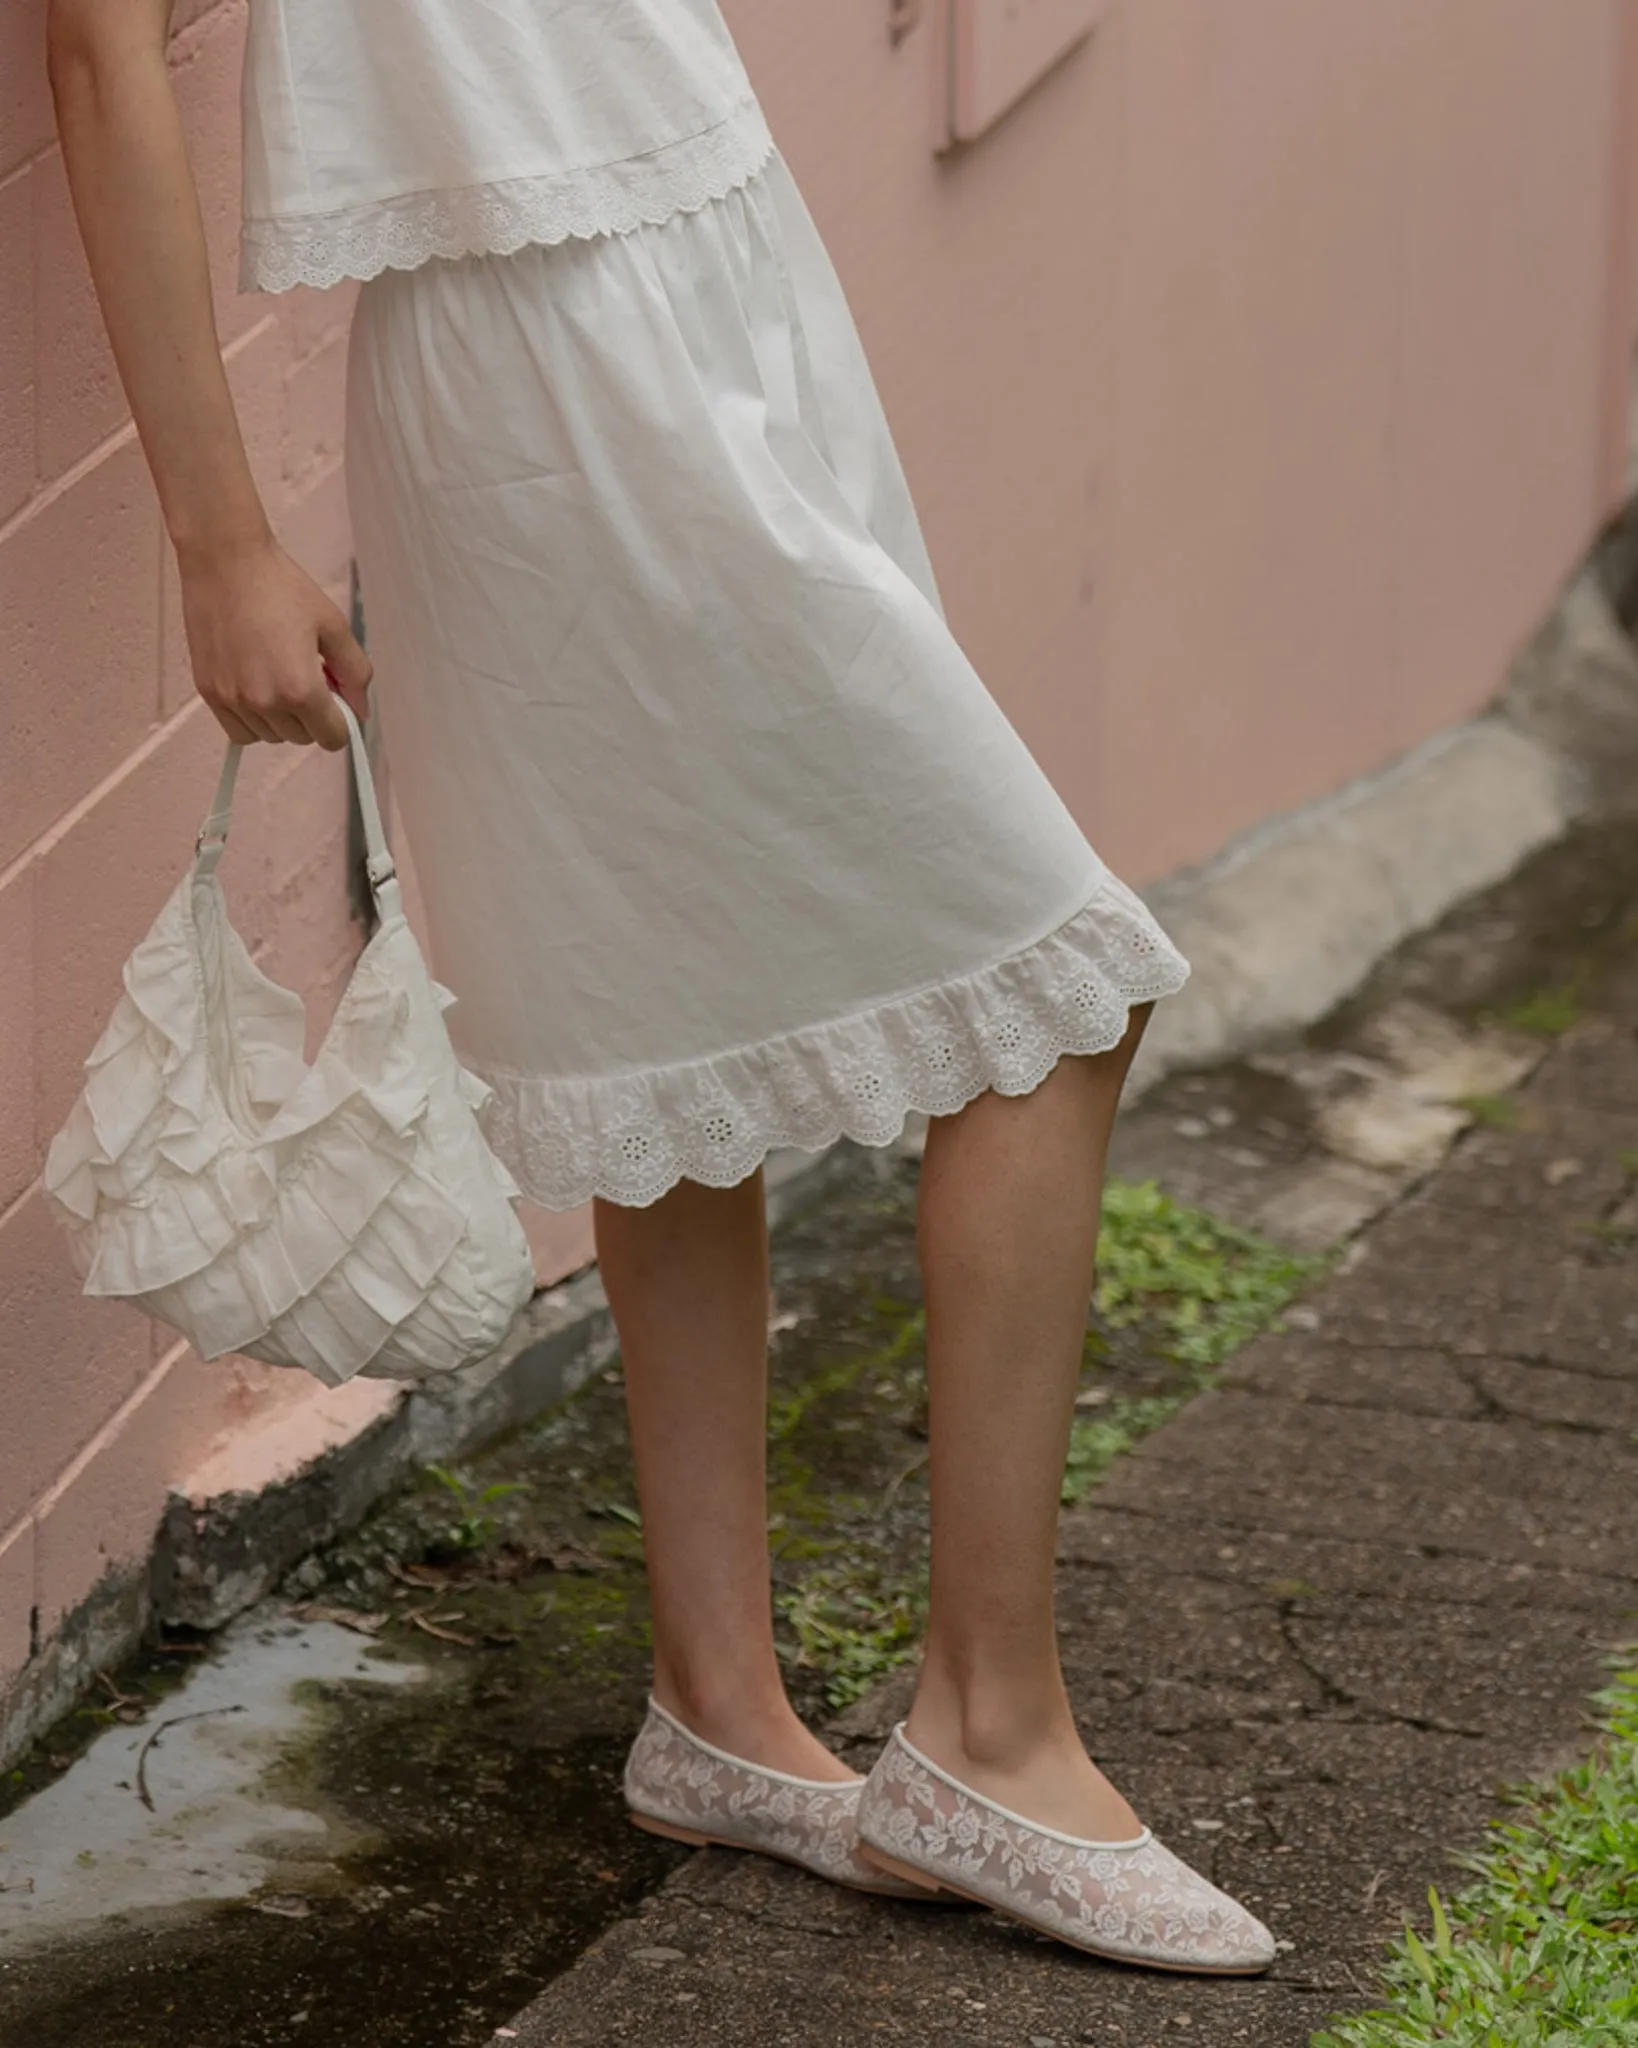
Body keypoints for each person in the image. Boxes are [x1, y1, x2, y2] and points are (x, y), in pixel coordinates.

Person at [47, 0, 1273, 1975]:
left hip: (717, 233)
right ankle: (990, 1727)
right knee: (1058, 990)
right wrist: (216, 538)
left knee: (676, 1010)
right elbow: (101, 52)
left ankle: (718, 1704)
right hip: (551, 339)